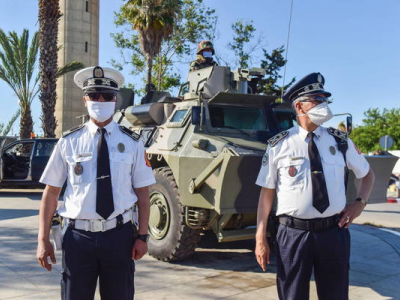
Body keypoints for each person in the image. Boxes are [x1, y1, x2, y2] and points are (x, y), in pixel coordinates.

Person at [36, 66, 156, 300]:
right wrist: (42, 239)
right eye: (94, 95)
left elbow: (143, 193)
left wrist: (142, 236)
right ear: (85, 100)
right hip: (78, 239)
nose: (100, 100)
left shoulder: (132, 143)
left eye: (107, 96)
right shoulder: (69, 142)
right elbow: (51, 194)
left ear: (115, 101)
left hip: (119, 237)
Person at [255, 72, 375, 300]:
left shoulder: (340, 141)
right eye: (318, 100)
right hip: (293, 234)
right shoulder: (279, 145)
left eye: (325, 100)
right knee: (292, 295)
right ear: (300, 107)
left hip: (333, 233)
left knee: (335, 295)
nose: (325, 106)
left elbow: (368, 174)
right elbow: (266, 193)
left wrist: (360, 203)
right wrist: (260, 238)